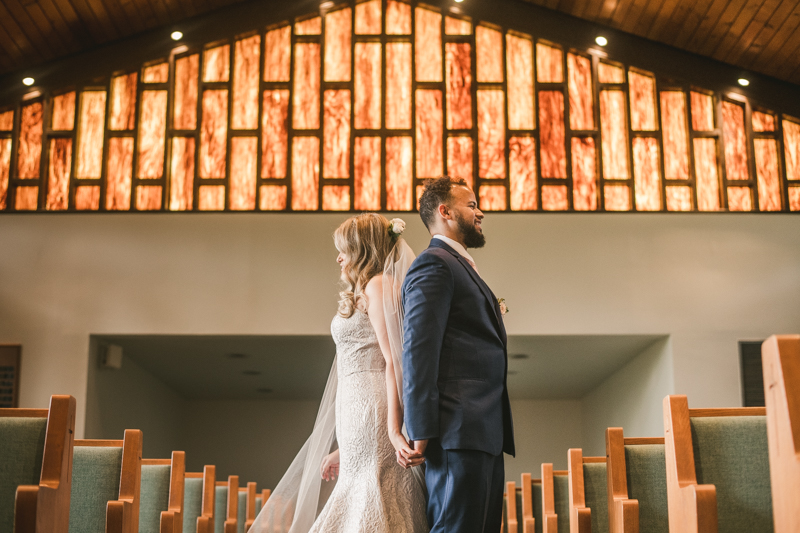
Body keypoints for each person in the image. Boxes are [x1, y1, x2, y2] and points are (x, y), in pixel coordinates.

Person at [250, 213, 428, 533]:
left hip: (373, 406)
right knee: (360, 486)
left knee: (374, 490)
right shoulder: (366, 288)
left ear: (361, 249)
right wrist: (342, 451)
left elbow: (395, 361)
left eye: (344, 249)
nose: (338, 257)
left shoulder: (379, 285)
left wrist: (392, 429)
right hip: (355, 412)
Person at [400, 177, 515, 533]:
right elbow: (418, 351)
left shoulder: (459, 265)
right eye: (472, 205)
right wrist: (420, 427)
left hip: (482, 431)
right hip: (456, 431)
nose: (480, 213)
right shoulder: (434, 264)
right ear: (445, 211)